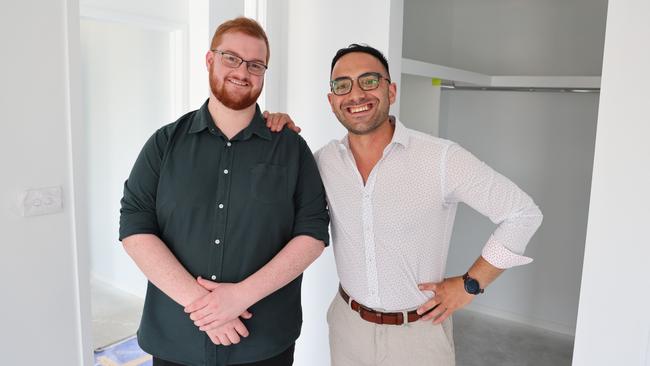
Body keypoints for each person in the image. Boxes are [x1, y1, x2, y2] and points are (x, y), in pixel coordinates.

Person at [270, 43, 543, 366]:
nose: (356, 94)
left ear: (391, 90)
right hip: (348, 328)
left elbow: (522, 213)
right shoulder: (322, 162)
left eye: (369, 81)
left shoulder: (441, 158)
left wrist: (471, 284)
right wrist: (274, 134)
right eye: (342, 85)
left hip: (419, 335)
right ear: (332, 102)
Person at [118, 17, 329, 366]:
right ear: (209, 60)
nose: (242, 71)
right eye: (231, 57)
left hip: (264, 342)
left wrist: (239, 297)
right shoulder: (164, 143)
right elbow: (134, 227)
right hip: (177, 338)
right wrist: (204, 306)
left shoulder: (291, 148)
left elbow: (313, 232)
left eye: (255, 64)